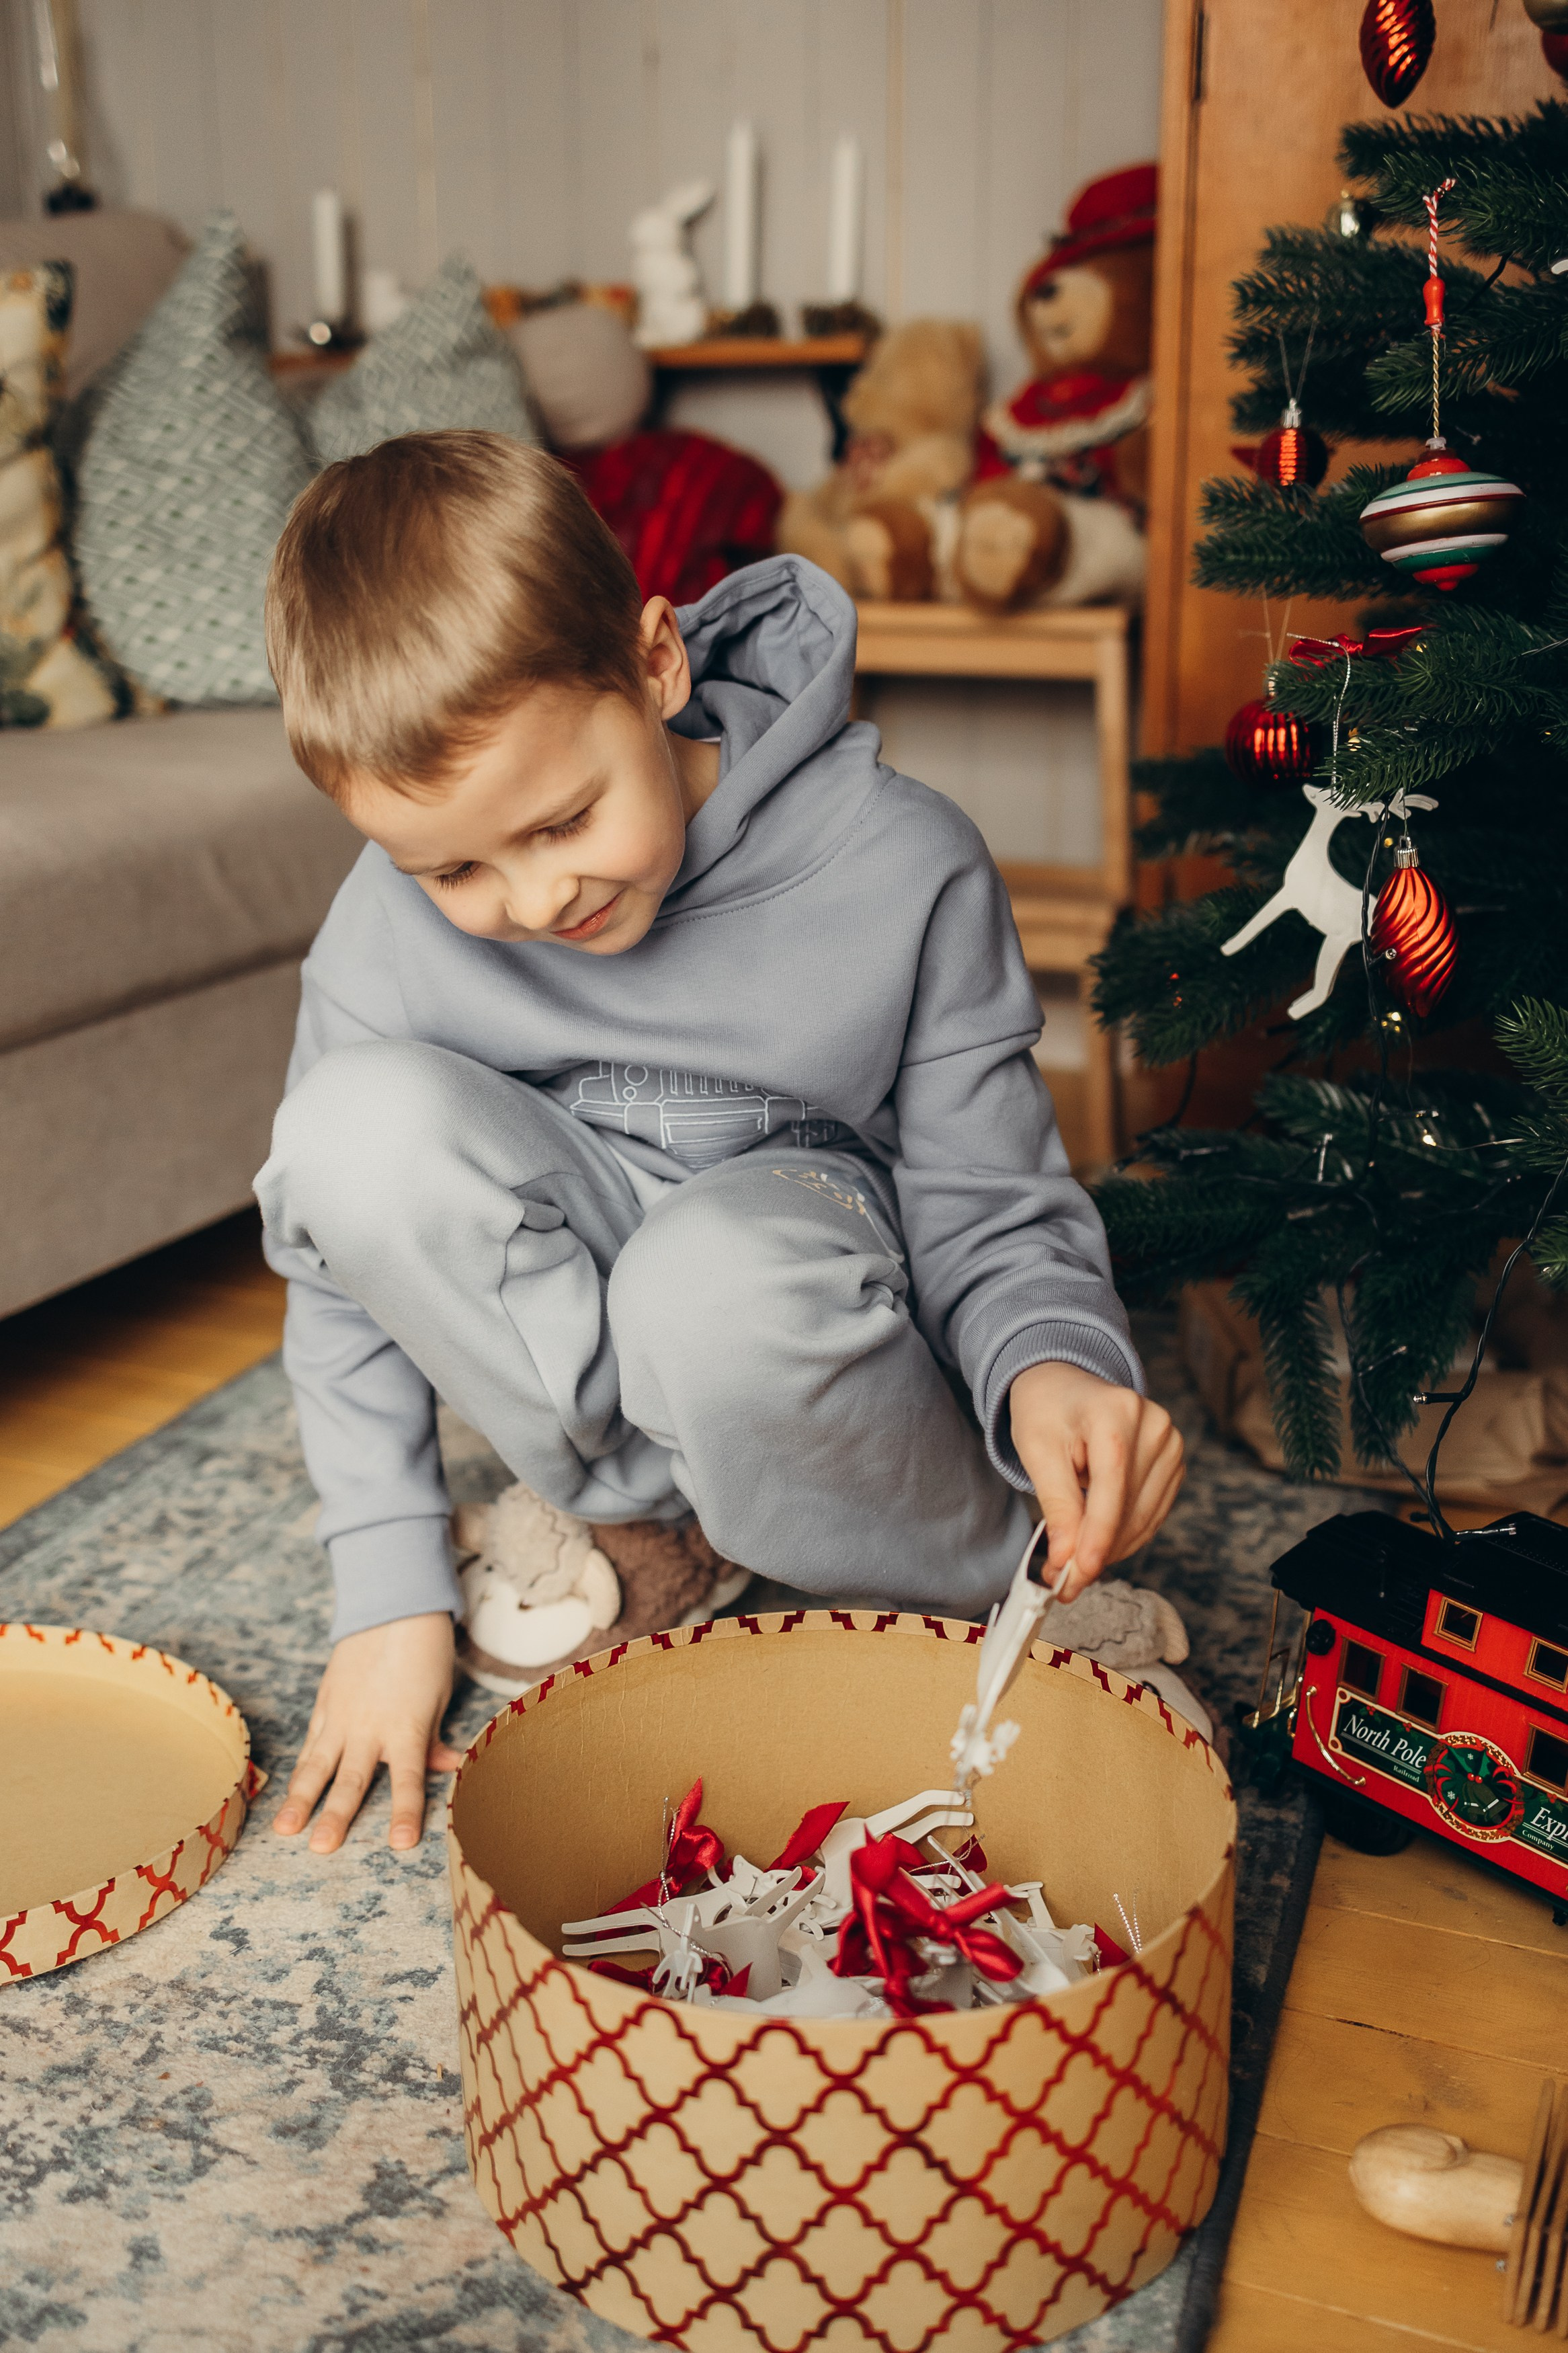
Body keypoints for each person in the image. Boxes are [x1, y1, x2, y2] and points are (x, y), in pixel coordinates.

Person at [255, 430, 1183, 1858]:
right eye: (453, 868)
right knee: (342, 1135)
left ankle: (983, 1575)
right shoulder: (387, 925)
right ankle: (658, 1530)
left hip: (791, 1291)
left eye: (564, 817)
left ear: (657, 665)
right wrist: (387, 1591)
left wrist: (1054, 1371)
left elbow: (992, 1206)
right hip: (625, 1359)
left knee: (708, 1284)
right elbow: (338, 1266)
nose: (531, 895)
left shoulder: (902, 863)